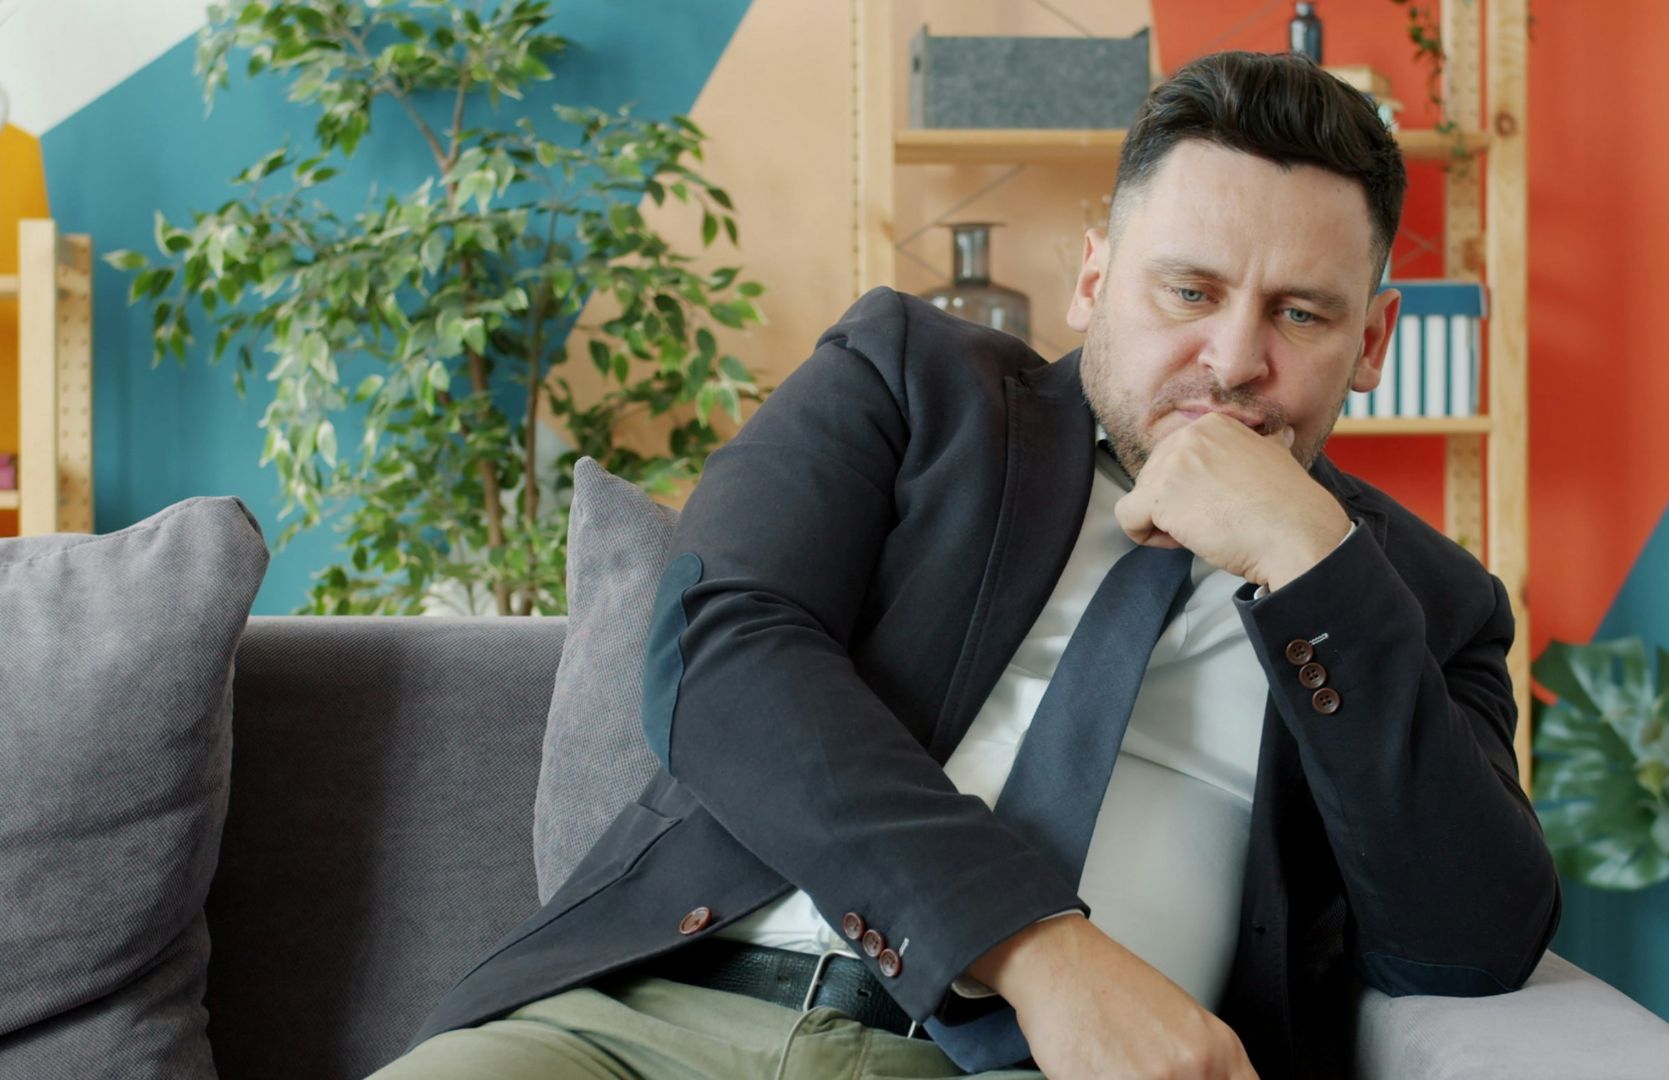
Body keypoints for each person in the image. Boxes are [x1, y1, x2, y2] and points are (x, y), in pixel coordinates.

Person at [373, 50, 1560, 1080]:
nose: (1236, 359)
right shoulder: (907, 380)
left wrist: (1311, 557)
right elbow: (723, 652)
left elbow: (1467, 939)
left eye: (1302, 314)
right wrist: (1040, 948)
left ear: (1374, 342)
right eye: (1189, 290)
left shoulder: (1421, 603)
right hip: (654, 1021)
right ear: (1094, 278)